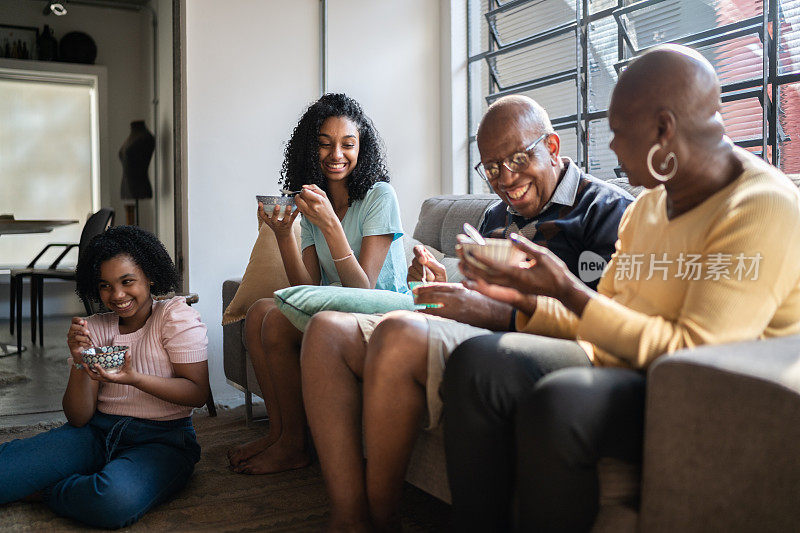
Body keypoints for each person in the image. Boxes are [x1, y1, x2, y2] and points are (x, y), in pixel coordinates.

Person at [442, 44, 800, 531]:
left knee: (562, 401)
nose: (610, 149)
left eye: (618, 134)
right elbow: (601, 317)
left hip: (705, 395)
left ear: (663, 131)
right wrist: (525, 298)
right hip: (622, 365)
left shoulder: (760, 207)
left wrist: (568, 290)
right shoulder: (647, 208)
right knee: (479, 361)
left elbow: (693, 356)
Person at [300, 95, 633, 530]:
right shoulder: (499, 212)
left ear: (552, 147)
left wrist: (487, 307)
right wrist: (446, 282)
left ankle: (382, 520)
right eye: (492, 168)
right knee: (326, 331)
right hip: (479, 328)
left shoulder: (606, 210)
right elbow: (485, 294)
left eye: (516, 159)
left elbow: (596, 317)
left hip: (535, 343)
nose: (505, 178)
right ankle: (349, 515)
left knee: (399, 332)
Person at [227, 93, 407, 475]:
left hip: (386, 309)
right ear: (311, 149)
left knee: (272, 317)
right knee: (263, 310)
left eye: (347, 144)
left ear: (362, 148)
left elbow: (365, 290)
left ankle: (292, 445)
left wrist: (331, 225)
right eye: (325, 144)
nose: (336, 154)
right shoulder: (313, 201)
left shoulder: (379, 196)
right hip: (341, 307)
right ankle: (281, 435)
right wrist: (282, 234)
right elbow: (304, 288)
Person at [0, 225, 209, 529]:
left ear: (149, 276)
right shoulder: (95, 327)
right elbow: (79, 418)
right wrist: (80, 361)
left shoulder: (174, 317)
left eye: (127, 282)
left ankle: (48, 490)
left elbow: (197, 393)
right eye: (105, 286)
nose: (117, 295)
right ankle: (77, 479)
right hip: (96, 432)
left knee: (112, 500)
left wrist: (133, 378)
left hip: (163, 441)